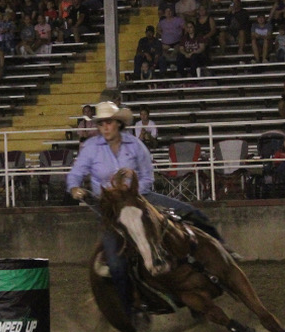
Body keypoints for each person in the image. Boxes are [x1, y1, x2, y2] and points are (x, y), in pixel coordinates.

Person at [67, 101, 232, 319]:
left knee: (192, 213)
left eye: (108, 122)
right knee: (116, 264)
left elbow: (147, 176)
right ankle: (131, 309)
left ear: (118, 124)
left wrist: (132, 192)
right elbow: (75, 174)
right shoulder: (90, 148)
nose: (105, 127)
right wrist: (75, 188)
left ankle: (224, 251)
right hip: (111, 208)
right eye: (101, 124)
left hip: (141, 198)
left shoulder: (135, 145)